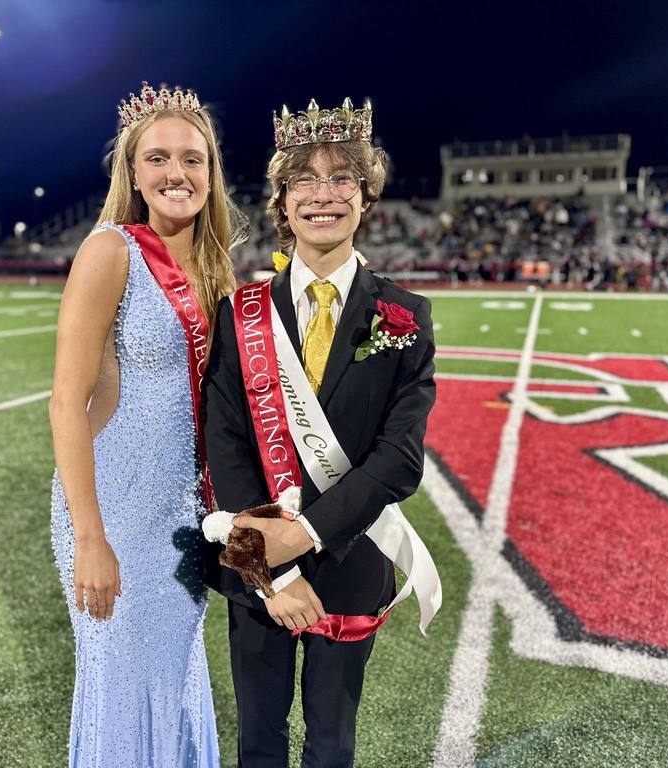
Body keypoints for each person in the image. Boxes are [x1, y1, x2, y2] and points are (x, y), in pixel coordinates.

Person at [204, 98, 439, 767]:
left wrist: (303, 536)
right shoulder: (240, 313)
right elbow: (225, 442)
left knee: (333, 746)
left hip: (349, 559)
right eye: (303, 179)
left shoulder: (406, 315)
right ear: (282, 202)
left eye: (342, 178)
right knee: (258, 743)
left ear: (366, 197)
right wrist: (269, 569)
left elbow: (400, 458)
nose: (323, 195)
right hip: (256, 571)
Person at [48, 82, 244, 768]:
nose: (175, 174)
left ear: (211, 172)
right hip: (116, 513)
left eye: (192, 159)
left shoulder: (217, 266)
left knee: (174, 680)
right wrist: (90, 539)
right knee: (125, 689)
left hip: (185, 517)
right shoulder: (112, 252)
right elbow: (65, 403)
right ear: (132, 172)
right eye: (157, 158)